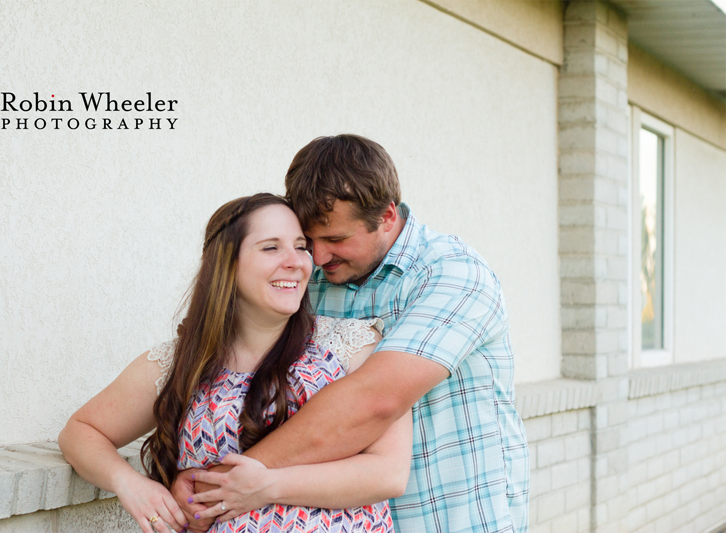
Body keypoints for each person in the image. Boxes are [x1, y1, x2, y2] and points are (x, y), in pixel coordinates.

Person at [175, 135, 530, 533]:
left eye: (336, 239)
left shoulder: (453, 275)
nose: (318, 257)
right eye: (310, 241)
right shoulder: (311, 277)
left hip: (449, 519)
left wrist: (219, 485)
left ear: (387, 217)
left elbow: (374, 400)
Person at [59, 193, 412, 533]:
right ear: (227, 263)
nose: (296, 260)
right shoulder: (179, 363)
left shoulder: (351, 347)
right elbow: (81, 432)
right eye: (271, 247)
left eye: (301, 246)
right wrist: (130, 485)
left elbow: (388, 474)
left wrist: (269, 485)